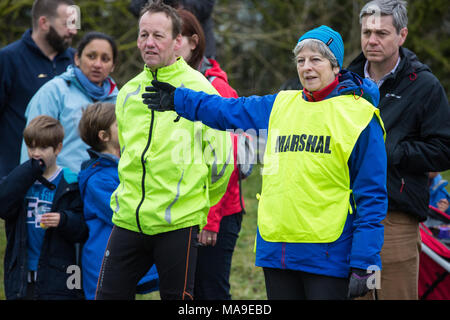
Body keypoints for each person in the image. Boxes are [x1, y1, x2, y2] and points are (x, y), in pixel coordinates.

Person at [144, 25, 388, 300]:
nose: (307, 67)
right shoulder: (281, 105)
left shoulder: (360, 117)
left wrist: (365, 261)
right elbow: (227, 110)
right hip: (277, 251)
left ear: (335, 66)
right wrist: (179, 99)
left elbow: (372, 195)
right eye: (300, 60)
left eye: (316, 59)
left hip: (328, 255)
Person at [95, 1, 233, 300]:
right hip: (129, 218)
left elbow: (223, 161)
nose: (149, 43)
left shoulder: (201, 90)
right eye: (143, 35)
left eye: (158, 35)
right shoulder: (128, 93)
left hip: (178, 224)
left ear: (176, 40)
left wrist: (199, 204)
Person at [347, 0, 450, 300]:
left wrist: (393, 150)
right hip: (348, 216)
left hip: (396, 217)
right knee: (359, 296)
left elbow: (444, 149)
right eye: (367, 32)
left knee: (394, 295)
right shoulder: (345, 82)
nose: (372, 40)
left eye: (381, 33)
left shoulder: (425, 86)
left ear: (402, 36)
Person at [175, 8, 250, 300]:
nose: (167, 42)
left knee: (211, 293)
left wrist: (211, 220)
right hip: (181, 210)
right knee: (185, 293)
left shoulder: (217, 88)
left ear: (194, 42)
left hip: (217, 214)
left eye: (176, 36)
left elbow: (226, 163)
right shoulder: (164, 85)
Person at [77, 102, 159, 300]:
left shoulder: (122, 168)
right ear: (104, 137)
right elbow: (124, 212)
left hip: (123, 261)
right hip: (103, 264)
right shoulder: (98, 179)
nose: (128, 126)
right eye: (120, 123)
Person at [0, 115, 88, 300]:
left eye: (43, 147)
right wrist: (28, 171)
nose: (36, 153)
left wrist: (63, 219)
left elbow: (82, 228)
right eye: (31, 147)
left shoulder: (70, 183)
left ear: (58, 148)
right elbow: (4, 205)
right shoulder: (20, 181)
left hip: (59, 277)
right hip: (22, 276)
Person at [20, 31, 119, 174]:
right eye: (91, 56)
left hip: (105, 185)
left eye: (105, 59)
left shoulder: (119, 99)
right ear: (77, 58)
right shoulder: (53, 92)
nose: (97, 64)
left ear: (113, 65)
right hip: (60, 188)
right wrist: (27, 184)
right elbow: (32, 143)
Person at [0, 0, 77, 178]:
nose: (73, 31)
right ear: (44, 23)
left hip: (65, 183)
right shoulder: (8, 60)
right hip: (14, 178)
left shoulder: (77, 61)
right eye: (67, 24)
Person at [129, 0, 217, 58]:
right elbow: (135, 7)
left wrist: (175, 4)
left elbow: (204, 7)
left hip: (198, 52)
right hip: (160, 51)